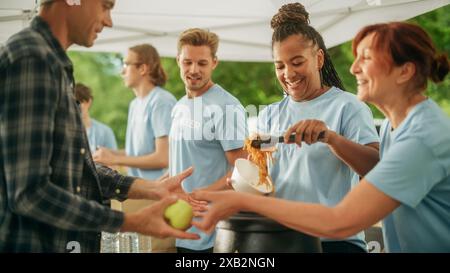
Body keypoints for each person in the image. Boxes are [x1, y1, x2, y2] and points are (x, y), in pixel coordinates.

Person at [192, 21, 450, 252]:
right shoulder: (398, 129)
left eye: (367, 58)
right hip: (286, 237)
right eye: (279, 65)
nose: (353, 68)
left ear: (405, 72)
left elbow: (339, 221)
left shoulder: (421, 138)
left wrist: (332, 139)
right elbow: (258, 170)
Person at [0, 0, 198, 252]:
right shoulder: (33, 59)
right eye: (105, 6)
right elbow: (30, 193)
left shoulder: (51, 63)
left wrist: (150, 187)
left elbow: (77, 171)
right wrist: (128, 221)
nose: (109, 20)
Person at [254, 3, 379, 252]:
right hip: (280, 240)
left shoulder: (347, 106)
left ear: (318, 58)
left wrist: (330, 138)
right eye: (280, 66)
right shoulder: (269, 115)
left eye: (297, 62)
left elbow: (375, 166)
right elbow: (263, 178)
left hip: (334, 243)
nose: (288, 73)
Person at [170, 28, 248, 253]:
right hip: (182, 228)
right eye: (187, 62)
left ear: (214, 63)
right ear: (178, 61)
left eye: (202, 63)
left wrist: (198, 196)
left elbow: (243, 170)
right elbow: (181, 163)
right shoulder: (179, 106)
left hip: (214, 234)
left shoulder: (226, 107)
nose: (193, 70)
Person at [93, 44, 176, 181]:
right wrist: (107, 154)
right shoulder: (135, 104)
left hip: (159, 190)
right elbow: (137, 154)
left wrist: (116, 159)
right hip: (139, 189)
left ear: (143, 68)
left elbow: (163, 158)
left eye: (126, 64)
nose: (122, 72)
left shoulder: (162, 101)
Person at [74, 83, 118, 154]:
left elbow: (114, 163)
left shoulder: (104, 132)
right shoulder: (63, 131)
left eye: (78, 103)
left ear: (88, 102)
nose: (74, 107)